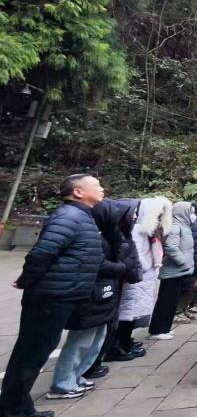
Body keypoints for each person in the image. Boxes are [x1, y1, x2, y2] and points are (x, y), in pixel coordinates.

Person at [0, 174, 105, 417]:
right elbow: (42, 253)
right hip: (51, 296)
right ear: (78, 192)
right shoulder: (69, 217)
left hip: (62, 294)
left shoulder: (80, 216)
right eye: (96, 185)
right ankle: (13, 409)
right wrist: (26, 280)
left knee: (36, 352)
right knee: (31, 353)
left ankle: (17, 406)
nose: (101, 189)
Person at [48, 199, 135, 399]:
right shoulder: (95, 237)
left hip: (105, 293)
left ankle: (76, 376)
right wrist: (122, 268)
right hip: (92, 294)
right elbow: (97, 264)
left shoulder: (109, 236)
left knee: (95, 340)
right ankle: (63, 383)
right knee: (81, 341)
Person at [86, 198, 142, 377]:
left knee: (107, 326)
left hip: (117, 282)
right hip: (105, 285)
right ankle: (80, 371)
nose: (135, 217)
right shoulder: (103, 236)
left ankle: (95, 361)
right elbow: (102, 261)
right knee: (89, 334)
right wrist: (123, 268)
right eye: (133, 213)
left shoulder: (121, 233)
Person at [114, 197, 170, 358]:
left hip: (144, 277)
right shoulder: (136, 231)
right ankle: (121, 346)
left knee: (134, 312)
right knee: (128, 312)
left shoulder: (150, 231)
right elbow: (135, 255)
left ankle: (126, 341)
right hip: (137, 277)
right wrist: (144, 268)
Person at [149, 202, 195, 338]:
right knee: (166, 301)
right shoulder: (175, 227)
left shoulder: (184, 226)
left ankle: (165, 328)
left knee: (172, 302)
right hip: (173, 271)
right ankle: (158, 330)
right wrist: (182, 262)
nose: (192, 214)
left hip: (179, 271)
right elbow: (171, 247)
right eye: (190, 211)